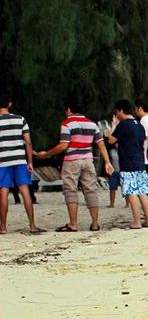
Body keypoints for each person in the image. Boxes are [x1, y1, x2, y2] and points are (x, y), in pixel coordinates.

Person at [34, 97, 112, 232]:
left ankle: (73, 224)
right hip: (88, 160)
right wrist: (107, 162)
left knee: (70, 190)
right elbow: (101, 144)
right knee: (91, 190)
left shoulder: (67, 124)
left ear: (69, 110)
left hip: (71, 161)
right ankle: (94, 224)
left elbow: (63, 146)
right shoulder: (92, 124)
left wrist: (46, 154)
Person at [0, 91, 42, 234]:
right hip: (19, 159)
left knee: (3, 192)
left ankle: (3, 227)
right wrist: (29, 161)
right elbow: (28, 142)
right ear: (9, 104)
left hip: (2, 160)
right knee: (25, 191)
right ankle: (32, 225)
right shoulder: (20, 119)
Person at [107, 100, 148, 229]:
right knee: (142, 192)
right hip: (139, 161)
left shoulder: (123, 124)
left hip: (128, 162)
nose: (116, 115)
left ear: (121, 111)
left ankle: (137, 221)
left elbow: (111, 140)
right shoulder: (139, 124)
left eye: (117, 113)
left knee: (131, 191)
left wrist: (114, 125)